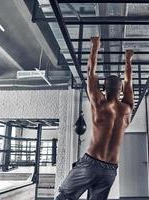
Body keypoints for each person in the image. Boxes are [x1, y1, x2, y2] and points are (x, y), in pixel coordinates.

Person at [56, 36, 134, 200]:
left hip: (91, 163)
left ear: (103, 88)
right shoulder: (127, 108)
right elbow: (129, 82)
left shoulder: (99, 104)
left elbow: (90, 72)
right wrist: (128, 60)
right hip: (110, 170)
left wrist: (95, 46)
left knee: (65, 196)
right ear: (121, 90)